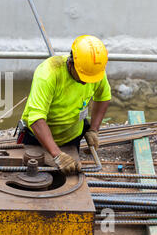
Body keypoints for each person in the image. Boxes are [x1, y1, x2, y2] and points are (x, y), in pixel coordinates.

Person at [17, 35, 111, 175]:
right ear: (71, 62)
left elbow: (103, 97)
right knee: (31, 181)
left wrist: (93, 129)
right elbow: (36, 118)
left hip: (72, 137)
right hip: (37, 139)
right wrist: (57, 154)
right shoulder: (48, 74)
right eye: (82, 76)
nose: (86, 82)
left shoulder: (93, 71)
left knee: (68, 181)